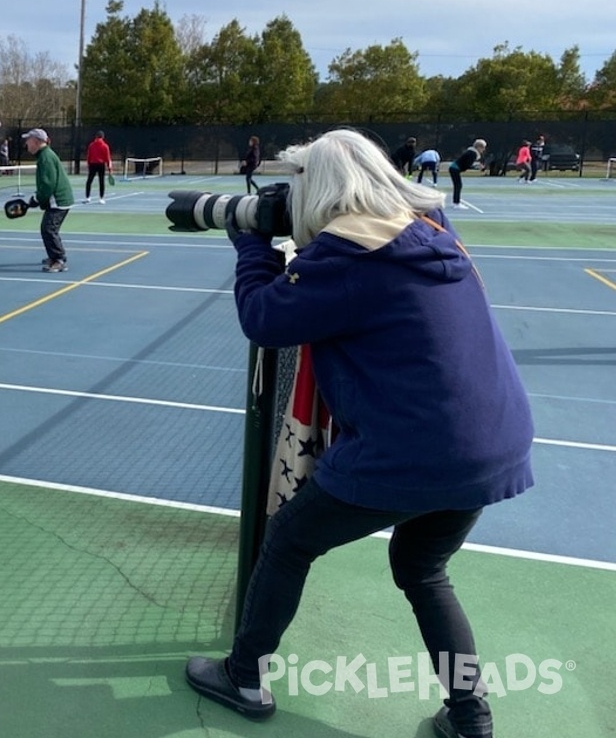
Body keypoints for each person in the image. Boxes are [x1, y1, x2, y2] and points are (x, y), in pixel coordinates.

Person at [185, 128, 533, 738]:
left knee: (290, 539)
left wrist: (252, 243)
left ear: (319, 191)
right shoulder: (432, 229)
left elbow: (263, 318)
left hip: (412, 449)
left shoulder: (349, 254)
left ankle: (243, 676)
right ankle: (470, 717)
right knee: (422, 567)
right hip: (492, 442)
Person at [21, 128, 74, 273]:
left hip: (59, 201)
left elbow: (48, 184)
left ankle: (58, 259)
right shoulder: (44, 156)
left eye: (29, 140)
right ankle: (55, 256)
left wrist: (37, 199)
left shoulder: (45, 157)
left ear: (37, 142)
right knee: (49, 229)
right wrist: (37, 199)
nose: (26, 143)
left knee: (48, 229)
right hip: (58, 200)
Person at [447, 139, 486, 209]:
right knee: (458, 185)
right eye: (483, 147)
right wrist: (477, 167)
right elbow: (467, 165)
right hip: (455, 169)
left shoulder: (471, 152)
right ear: (479, 147)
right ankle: (456, 203)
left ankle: (456, 202)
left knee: (458, 185)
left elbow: (466, 164)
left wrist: (476, 166)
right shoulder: (473, 154)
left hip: (454, 169)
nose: (484, 149)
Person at [83, 130, 112, 204]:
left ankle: (87, 197)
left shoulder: (91, 145)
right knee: (101, 182)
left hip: (92, 165)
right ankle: (101, 198)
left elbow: (89, 156)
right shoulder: (105, 146)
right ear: (103, 137)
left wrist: (88, 164)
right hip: (101, 165)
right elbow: (107, 158)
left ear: (96, 136)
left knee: (89, 181)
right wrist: (109, 168)